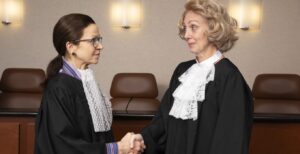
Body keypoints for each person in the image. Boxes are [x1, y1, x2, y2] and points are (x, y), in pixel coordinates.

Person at [140, 0, 253, 153]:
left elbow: (230, 141)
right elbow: (162, 123)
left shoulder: (229, 77)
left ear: (214, 28)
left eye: (193, 27)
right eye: (185, 28)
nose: (186, 35)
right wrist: (140, 140)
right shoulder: (182, 71)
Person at [35, 13, 145, 154]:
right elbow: (63, 146)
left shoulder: (88, 82)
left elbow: (101, 135)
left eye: (99, 39)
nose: (100, 46)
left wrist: (123, 147)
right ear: (71, 46)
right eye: (93, 40)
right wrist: (117, 148)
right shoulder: (58, 88)